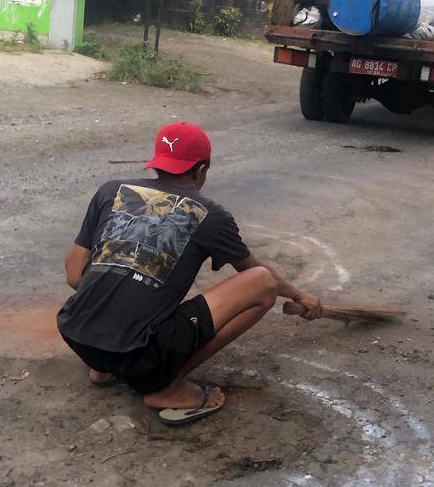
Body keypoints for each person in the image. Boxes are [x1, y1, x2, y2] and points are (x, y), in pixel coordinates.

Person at [57, 122, 322, 425]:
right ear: (201, 170)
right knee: (261, 283)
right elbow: (257, 273)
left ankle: (103, 366)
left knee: (119, 296)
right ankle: (167, 387)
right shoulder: (211, 215)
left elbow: (74, 272)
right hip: (143, 355)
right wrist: (301, 296)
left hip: (76, 332)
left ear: (157, 162)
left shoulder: (111, 191)